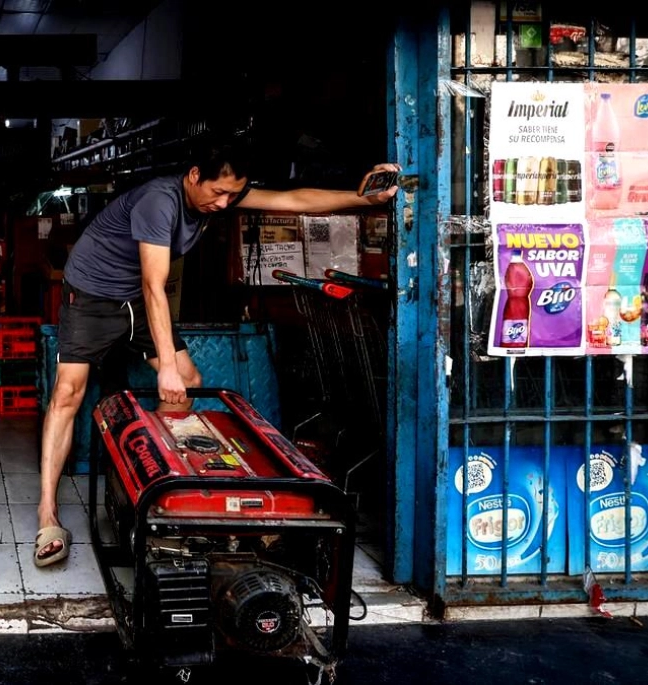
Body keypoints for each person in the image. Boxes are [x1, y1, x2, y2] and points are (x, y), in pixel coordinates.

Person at [33, 139, 401, 567]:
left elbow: (293, 198)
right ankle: (47, 512)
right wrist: (163, 366)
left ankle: (163, 488)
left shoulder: (222, 193)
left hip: (137, 299)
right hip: (94, 295)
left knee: (189, 382)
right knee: (68, 394)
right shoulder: (159, 201)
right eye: (217, 193)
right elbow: (156, 287)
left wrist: (362, 197)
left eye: (233, 195)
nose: (224, 203)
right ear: (194, 176)